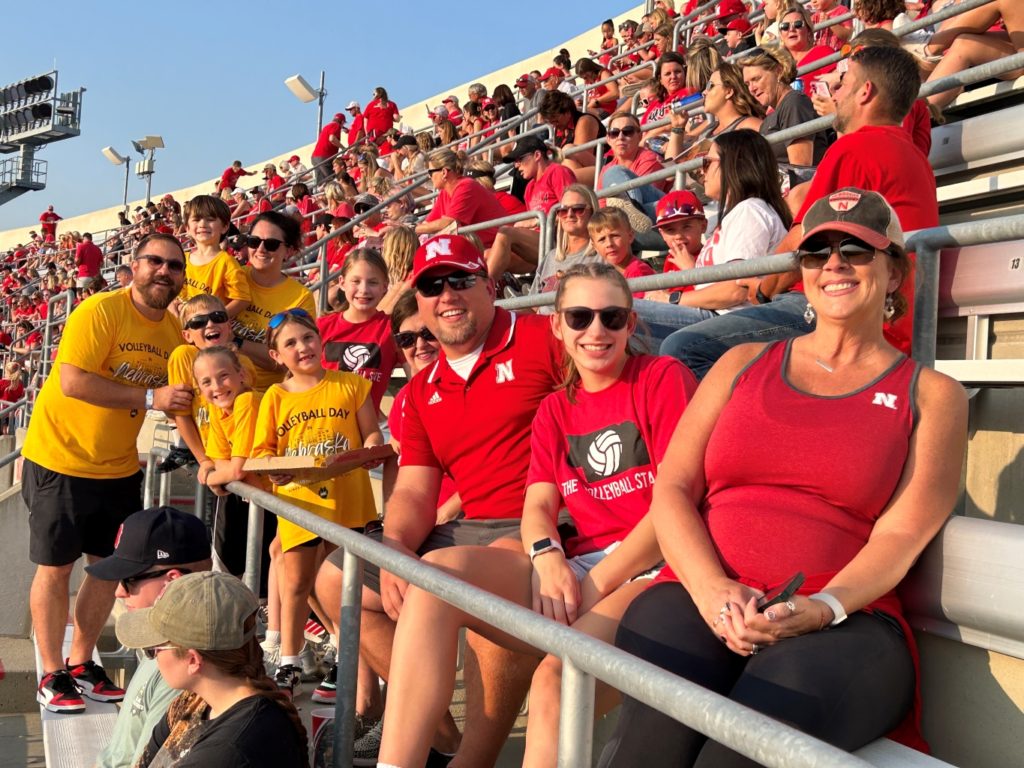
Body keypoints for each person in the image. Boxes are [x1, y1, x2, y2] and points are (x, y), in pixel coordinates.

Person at [595, 189, 968, 767]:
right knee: (651, 743)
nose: (835, 264)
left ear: (895, 271)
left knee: (735, 756)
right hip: (701, 592)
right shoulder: (740, 362)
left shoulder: (932, 394)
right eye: (818, 253)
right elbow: (672, 489)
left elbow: (901, 536)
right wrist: (711, 588)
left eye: (857, 250)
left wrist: (824, 606)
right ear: (803, 272)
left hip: (845, 620)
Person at [378, 264, 699, 768]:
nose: (596, 331)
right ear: (557, 326)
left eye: (612, 318)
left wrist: (594, 587)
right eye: (579, 317)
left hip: (654, 566)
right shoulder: (554, 407)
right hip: (579, 561)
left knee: (556, 680)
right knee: (432, 582)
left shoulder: (661, 378)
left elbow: (673, 507)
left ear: (631, 325)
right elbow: (538, 506)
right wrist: (547, 556)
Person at [314, 234, 564, 766]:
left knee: (461, 586)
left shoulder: (546, 338)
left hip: (542, 520)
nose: (447, 294)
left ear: (489, 284)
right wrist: (398, 546)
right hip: (469, 522)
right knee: (341, 578)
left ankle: (470, 758)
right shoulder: (424, 386)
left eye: (461, 279)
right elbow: (414, 488)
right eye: (432, 285)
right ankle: (439, 735)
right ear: (419, 300)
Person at [23, 233, 192, 713]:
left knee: (104, 569)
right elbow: (72, 381)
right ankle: (52, 671)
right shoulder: (99, 311)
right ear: (134, 266)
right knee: (55, 569)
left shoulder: (174, 334)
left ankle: (81, 663)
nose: (164, 271)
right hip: (61, 458)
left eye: (174, 266)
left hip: (117, 467)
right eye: (154, 261)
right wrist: (147, 398)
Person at [252, 308, 383, 696]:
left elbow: (371, 433)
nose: (302, 347)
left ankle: (347, 654)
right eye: (290, 343)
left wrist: (371, 450)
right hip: (300, 501)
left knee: (341, 586)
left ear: (320, 339)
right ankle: (289, 661)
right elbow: (262, 451)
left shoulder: (350, 384)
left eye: (307, 338)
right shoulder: (275, 395)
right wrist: (275, 469)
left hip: (347, 501)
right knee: (296, 582)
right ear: (276, 356)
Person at [115, 572, 308, 767]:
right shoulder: (192, 703)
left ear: (193, 660)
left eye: (153, 649)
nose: (154, 657)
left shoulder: (228, 751)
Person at [88, 506, 212, 768]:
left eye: (128, 580)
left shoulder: (182, 669)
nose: (118, 593)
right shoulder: (160, 641)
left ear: (171, 582)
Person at [230, 211, 317, 393]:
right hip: (222, 388)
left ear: (289, 251)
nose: (261, 249)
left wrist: (236, 342)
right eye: (254, 241)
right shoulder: (232, 276)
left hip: (268, 394)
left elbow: (287, 360)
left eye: (271, 244)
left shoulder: (300, 297)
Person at [317, 249, 399, 414]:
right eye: (356, 281)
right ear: (342, 282)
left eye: (373, 282)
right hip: (323, 424)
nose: (364, 290)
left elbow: (417, 375)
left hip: (368, 431)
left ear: (385, 286)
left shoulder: (392, 328)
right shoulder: (321, 327)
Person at [485, 136, 576, 279]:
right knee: (487, 254)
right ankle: (504, 288)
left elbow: (574, 210)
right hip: (540, 245)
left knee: (505, 233)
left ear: (537, 155)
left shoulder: (557, 172)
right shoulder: (529, 188)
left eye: (519, 160)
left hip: (559, 242)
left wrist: (536, 222)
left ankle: (484, 292)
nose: (516, 166)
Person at [742, 47, 829, 166]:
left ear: (778, 71)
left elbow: (800, 168)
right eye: (747, 84)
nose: (751, 88)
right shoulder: (769, 119)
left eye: (756, 79)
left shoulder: (794, 102)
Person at [665, 61, 764, 159]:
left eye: (710, 86)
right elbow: (673, 169)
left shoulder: (751, 126)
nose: (704, 92)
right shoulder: (710, 129)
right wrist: (677, 127)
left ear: (729, 91)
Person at [414, 148, 509, 247]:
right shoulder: (445, 192)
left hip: (499, 245)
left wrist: (413, 229)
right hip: (483, 247)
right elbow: (428, 223)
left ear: (444, 172)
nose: (429, 177)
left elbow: (448, 223)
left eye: (431, 173)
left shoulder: (466, 186)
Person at [179, 195, 251, 318]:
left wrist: (214, 319)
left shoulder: (226, 262)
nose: (202, 224)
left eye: (210, 219)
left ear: (224, 227)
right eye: (196, 219)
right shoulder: (182, 259)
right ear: (187, 228)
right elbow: (176, 294)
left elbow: (242, 299)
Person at [528, 185, 602, 300]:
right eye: (563, 210)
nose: (569, 214)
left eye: (578, 209)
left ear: (592, 213)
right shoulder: (550, 257)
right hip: (543, 317)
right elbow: (532, 305)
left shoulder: (602, 254)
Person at [599, 112, 669, 221]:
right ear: (608, 139)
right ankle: (625, 219)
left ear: (640, 136)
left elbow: (645, 197)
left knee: (614, 172)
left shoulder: (650, 158)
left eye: (628, 132)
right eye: (614, 133)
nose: (620, 137)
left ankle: (626, 218)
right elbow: (602, 207)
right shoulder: (605, 169)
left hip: (655, 217)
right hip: (629, 223)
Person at [540, 90, 606, 188]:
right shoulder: (559, 128)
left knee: (568, 150)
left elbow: (579, 156)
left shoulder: (585, 121)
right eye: (550, 122)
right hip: (582, 171)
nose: (554, 125)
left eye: (556, 120)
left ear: (567, 112)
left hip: (602, 167)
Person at [778, 3, 839, 91]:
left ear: (809, 32)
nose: (791, 29)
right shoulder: (778, 66)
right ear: (781, 35)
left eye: (798, 24)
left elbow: (838, 86)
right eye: (785, 26)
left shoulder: (823, 53)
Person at [312, 113, 347, 186]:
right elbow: (332, 138)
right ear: (342, 122)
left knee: (322, 183)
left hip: (315, 157)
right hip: (324, 157)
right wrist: (343, 148)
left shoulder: (327, 126)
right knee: (333, 180)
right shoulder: (336, 125)